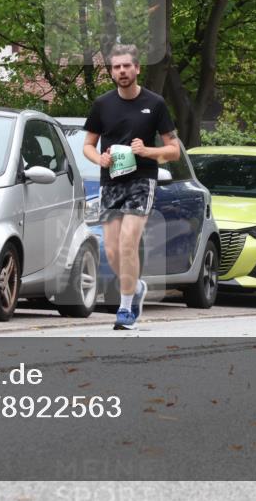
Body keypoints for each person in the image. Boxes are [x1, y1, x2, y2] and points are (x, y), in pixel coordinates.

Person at [82, 44, 180, 330]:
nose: (122, 71)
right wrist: (99, 157)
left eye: (127, 66)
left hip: (142, 180)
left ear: (137, 68)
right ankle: (135, 287)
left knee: (128, 243)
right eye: (116, 67)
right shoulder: (103, 104)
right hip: (111, 181)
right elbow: (88, 145)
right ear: (112, 72)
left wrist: (146, 151)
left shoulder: (155, 103)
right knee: (111, 250)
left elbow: (173, 149)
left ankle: (125, 310)